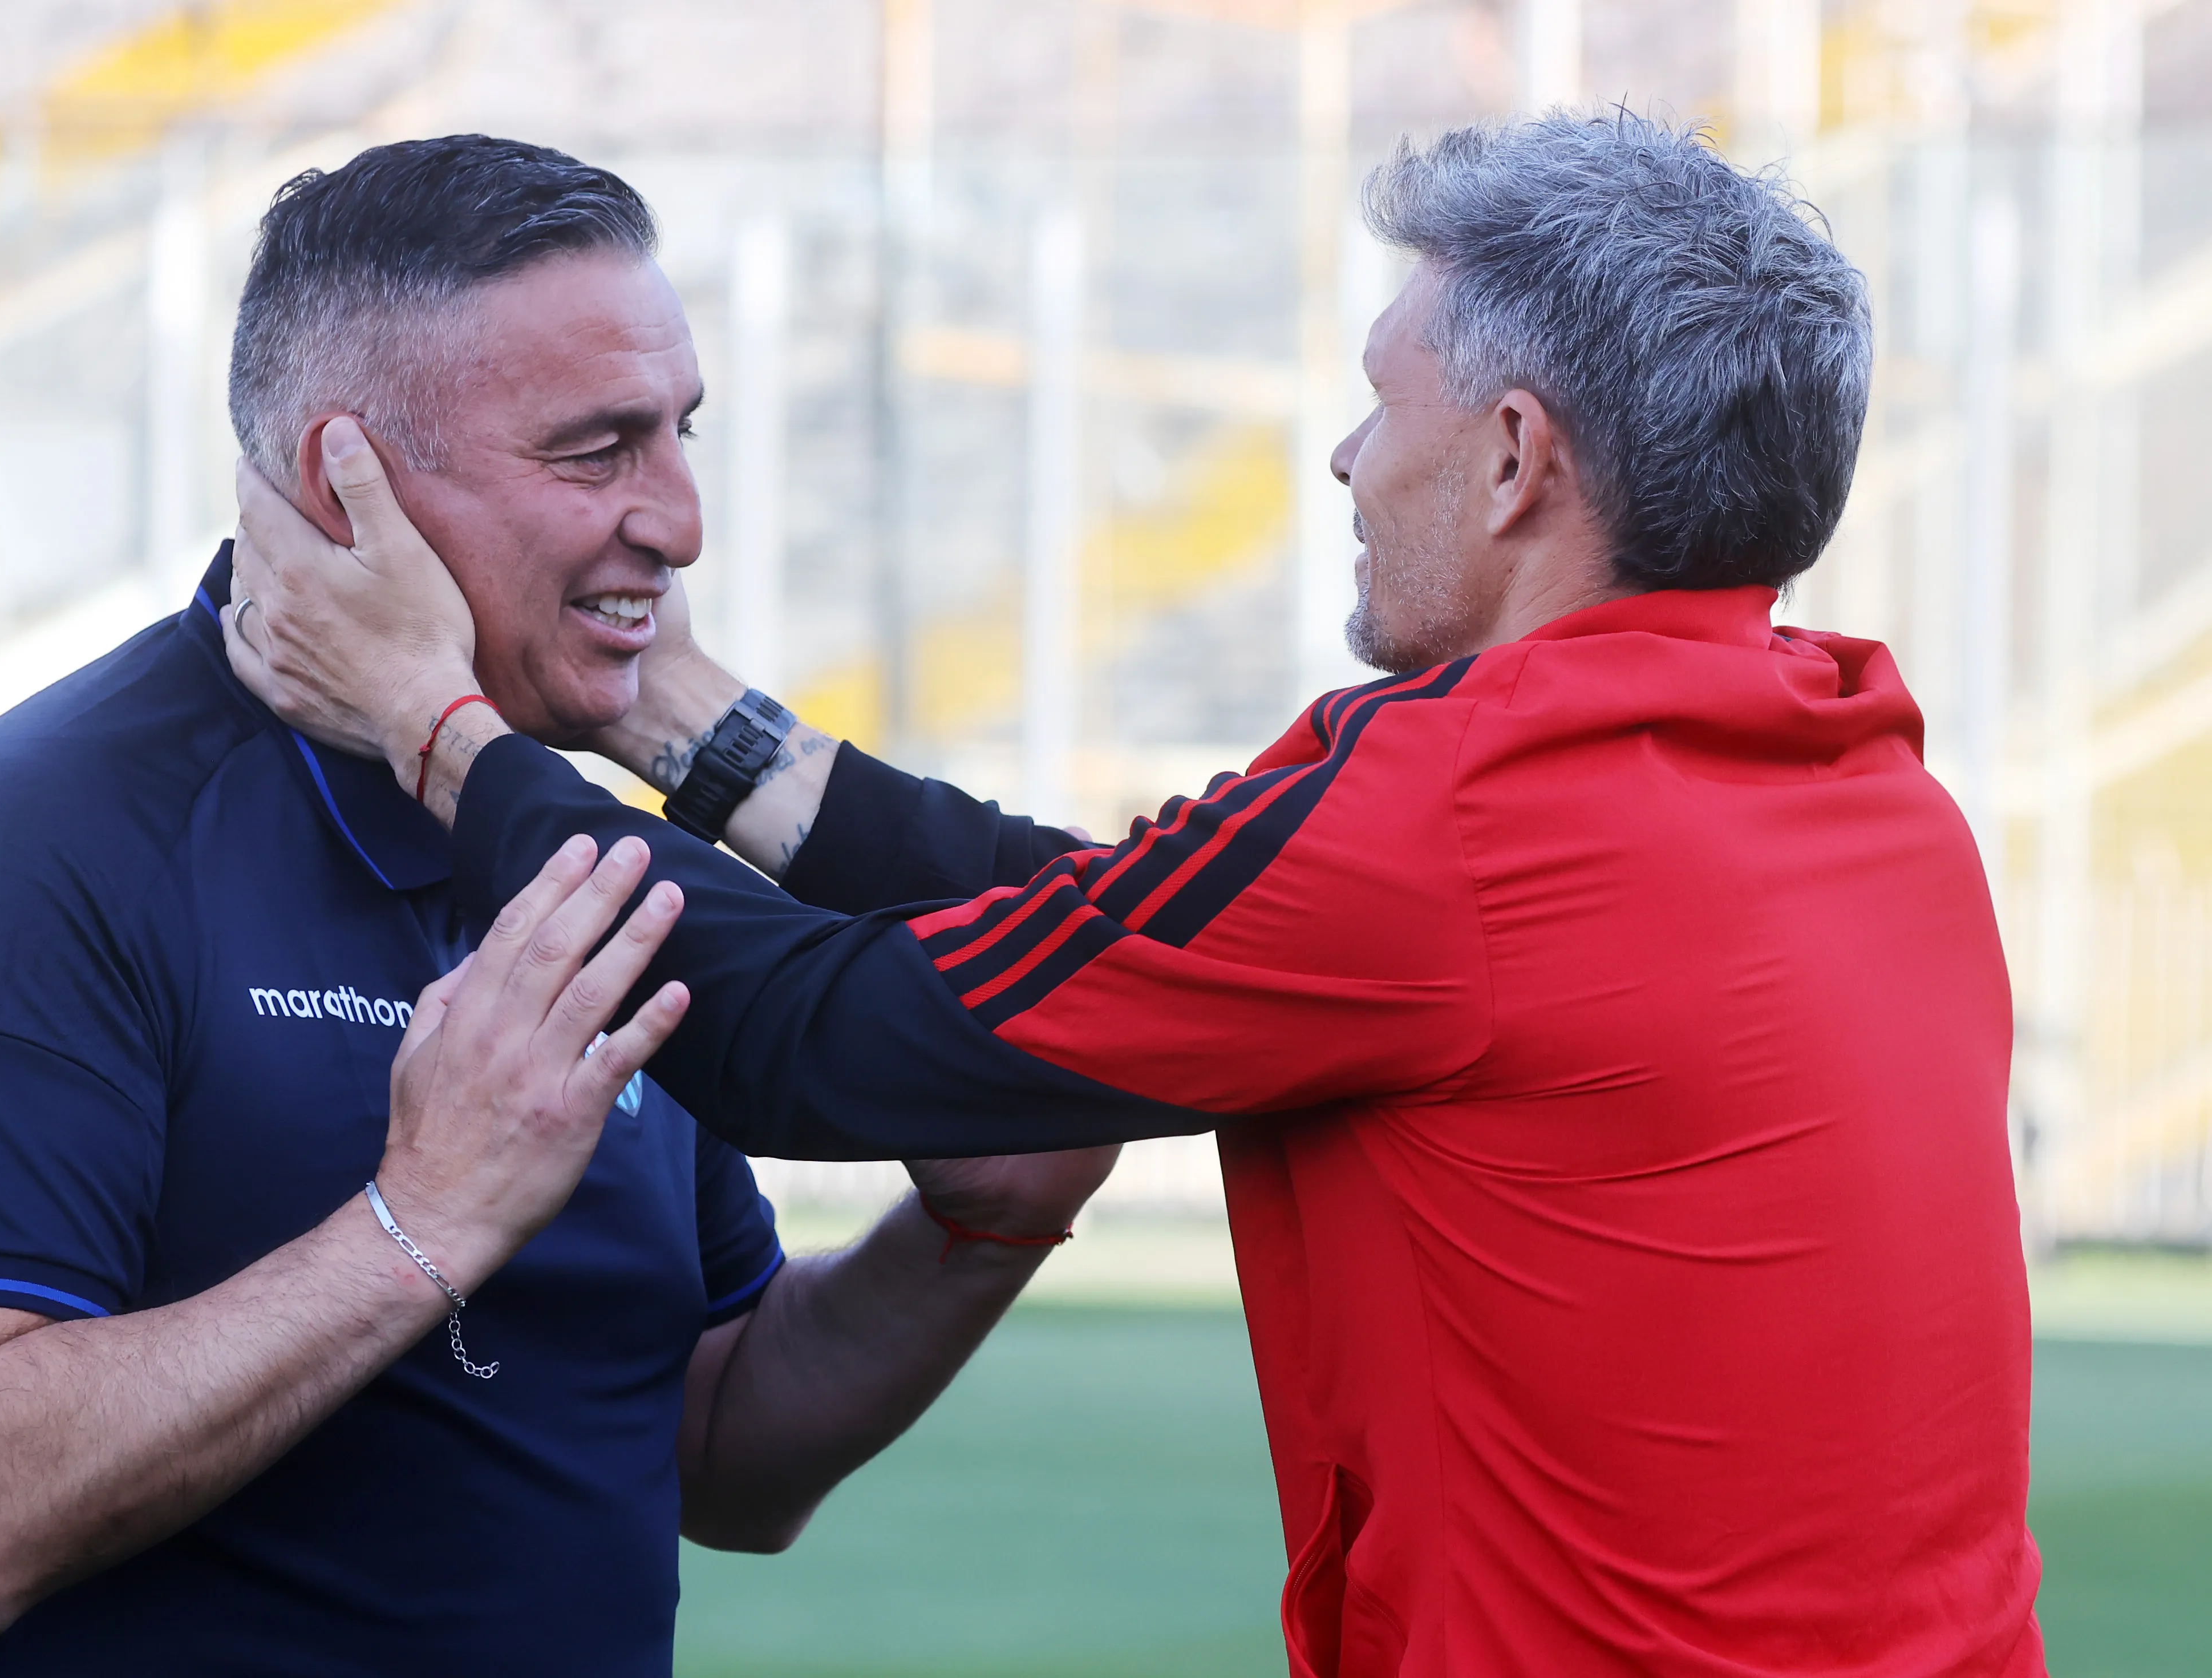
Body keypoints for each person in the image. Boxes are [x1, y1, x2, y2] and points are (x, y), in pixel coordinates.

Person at [230, 111, 2046, 1676]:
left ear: (1510, 460)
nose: (1342, 460)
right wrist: (670, 712)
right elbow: (1130, 918)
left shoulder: (1459, 809)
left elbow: (818, 1050)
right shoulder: (1859, 777)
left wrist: (440, 725)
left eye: (1374, 404)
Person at [0, 136, 1117, 1678]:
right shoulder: (35, 844)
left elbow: (712, 1442)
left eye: (683, 432)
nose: (683, 518)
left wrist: (971, 1230)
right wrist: (417, 1223)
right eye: (597, 450)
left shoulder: (567, 848)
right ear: (342, 482)